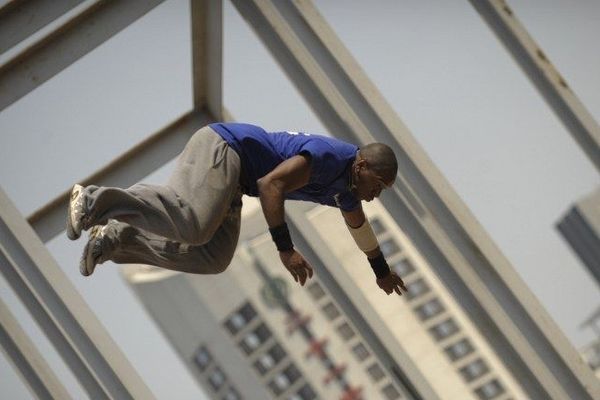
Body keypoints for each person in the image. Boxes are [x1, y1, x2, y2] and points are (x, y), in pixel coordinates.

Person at [67, 122, 407, 296]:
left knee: (214, 258)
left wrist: (381, 271)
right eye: (376, 186)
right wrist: (285, 250)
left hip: (237, 184)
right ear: (361, 166)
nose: (374, 195)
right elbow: (271, 186)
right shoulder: (329, 157)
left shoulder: (346, 189)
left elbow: (360, 228)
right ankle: (94, 201)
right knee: (192, 223)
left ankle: (116, 239)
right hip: (225, 149)